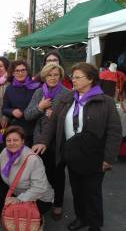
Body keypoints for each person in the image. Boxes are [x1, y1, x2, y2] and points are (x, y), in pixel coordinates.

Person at [33, 62, 122, 231]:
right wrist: (43, 141)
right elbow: (52, 123)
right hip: (72, 153)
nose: (73, 80)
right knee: (77, 190)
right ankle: (81, 218)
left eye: (78, 77)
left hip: (94, 155)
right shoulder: (67, 99)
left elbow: (114, 132)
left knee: (92, 193)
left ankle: (94, 225)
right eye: (72, 77)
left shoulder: (106, 102)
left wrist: (108, 158)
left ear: (90, 79)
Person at [0, 126, 54, 219]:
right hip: (16, 190)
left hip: (38, 198)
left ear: (23, 141)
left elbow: (39, 188)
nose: (12, 143)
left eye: (16, 140)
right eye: (9, 140)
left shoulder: (33, 160)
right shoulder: (6, 151)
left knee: (20, 219)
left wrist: (19, 200)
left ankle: (37, 219)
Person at [24, 63, 70, 220]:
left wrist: (55, 117)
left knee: (57, 174)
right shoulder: (38, 92)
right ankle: (43, 201)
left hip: (58, 141)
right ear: (44, 76)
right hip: (39, 140)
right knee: (40, 173)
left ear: (60, 76)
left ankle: (58, 203)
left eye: (56, 75)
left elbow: (71, 120)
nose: (52, 78)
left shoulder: (67, 94)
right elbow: (28, 115)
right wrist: (40, 107)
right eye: (49, 75)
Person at [2, 60, 41, 147]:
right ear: (13, 73)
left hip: (35, 129)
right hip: (18, 129)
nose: (20, 73)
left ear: (27, 72)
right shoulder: (9, 89)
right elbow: (4, 108)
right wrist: (12, 111)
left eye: (23, 70)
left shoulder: (37, 86)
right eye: (17, 70)